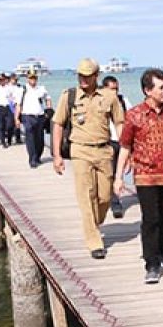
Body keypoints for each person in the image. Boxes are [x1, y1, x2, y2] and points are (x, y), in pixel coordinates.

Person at [114, 69, 163, 284]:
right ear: (147, 90)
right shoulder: (134, 115)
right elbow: (124, 147)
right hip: (145, 175)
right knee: (151, 219)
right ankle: (151, 264)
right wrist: (118, 177)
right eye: (161, 87)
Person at [52, 59, 125, 259]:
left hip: (104, 151)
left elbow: (120, 124)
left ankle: (95, 222)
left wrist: (129, 152)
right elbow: (58, 125)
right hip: (80, 151)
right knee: (86, 196)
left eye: (87, 75)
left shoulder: (110, 96)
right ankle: (94, 241)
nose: (83, 79)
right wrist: (57, 155)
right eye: (80, 75)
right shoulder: (70, 96)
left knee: (104, 197)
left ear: (96, 76)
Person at [102, 75, 132, 219]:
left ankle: (115, 201)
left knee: (117, 172)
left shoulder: (123, 101)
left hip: (121, 141)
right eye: (111, 89)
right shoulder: (99, 102)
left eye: (116, 89)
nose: (114, 92)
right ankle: (113, 201)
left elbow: (131, 122)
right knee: (108, 174)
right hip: (106, 142)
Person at [17, 71, 51, 167]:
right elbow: (18, 105)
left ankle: (38, 156)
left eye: (34, 78)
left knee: (39, 139)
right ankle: (32, 159)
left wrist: (48, 109)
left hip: (40, 116)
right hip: (27, 116)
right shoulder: (22, 89)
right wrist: (16, 118)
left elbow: (48, 98)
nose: (33, 80)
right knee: (30, 138)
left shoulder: (41, 89)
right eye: (31, 78)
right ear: (27, 79)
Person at [0, 73, 17, 148]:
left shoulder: (10, 88)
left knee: (10, 125)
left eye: (3, 79)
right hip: (0, 108)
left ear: (6, 80)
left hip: (9, 108)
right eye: (0, 80)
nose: (2, 81)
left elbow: (14, 98)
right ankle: (3, 142)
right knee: (0, 126)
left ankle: (9, 139)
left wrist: (15, 108)